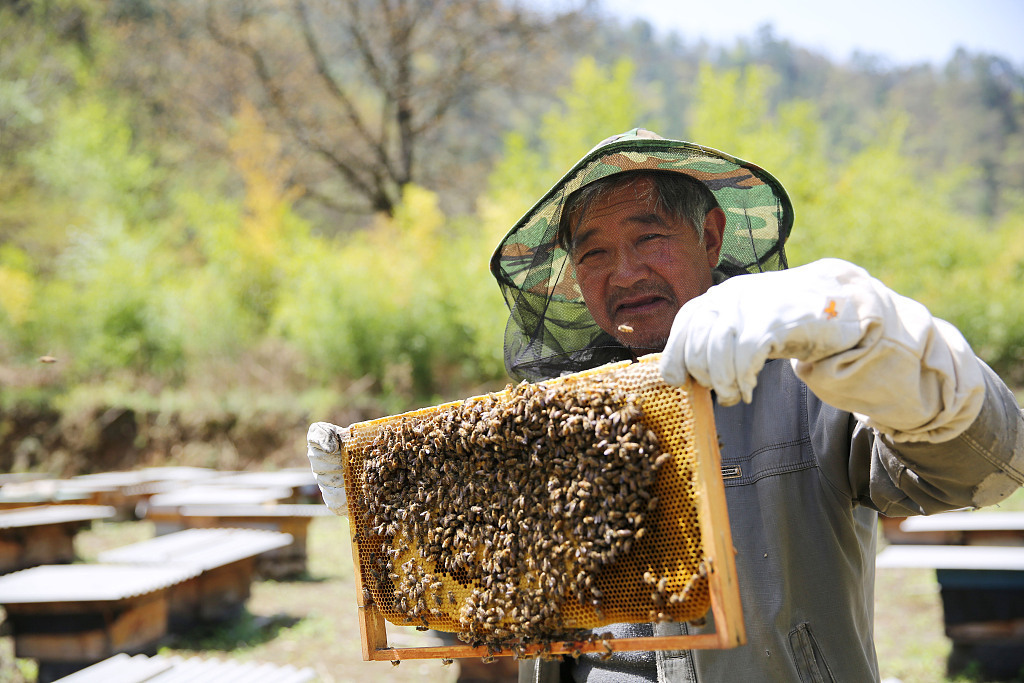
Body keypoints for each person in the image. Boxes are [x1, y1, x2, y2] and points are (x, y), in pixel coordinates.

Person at [309, 129, 1024, 682]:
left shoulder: (810, 382)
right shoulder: (542, 426)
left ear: (710, 237)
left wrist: (880, 338)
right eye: (592, 254)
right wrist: (404, 521)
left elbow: (980, 464)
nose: (623, 273)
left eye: (648, 237)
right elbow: (491, 635)